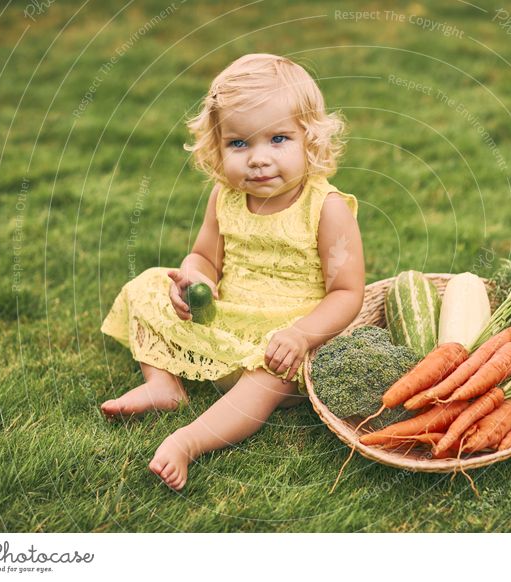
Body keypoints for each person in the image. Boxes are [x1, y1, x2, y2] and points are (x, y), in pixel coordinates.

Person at [99, 53, 365, 491]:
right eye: (239, 144)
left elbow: (346, 293)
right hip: (228, 320)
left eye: (278, 139)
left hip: (287, 340)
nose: (258, 159)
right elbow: (204, 257)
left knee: (266, 374)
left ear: (309, 142)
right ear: (217, 148)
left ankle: (189, 441)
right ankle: (163, 385)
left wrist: (300, 335)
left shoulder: (327, 208)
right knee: (146, 284)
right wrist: (196, 280)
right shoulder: (226, 197)